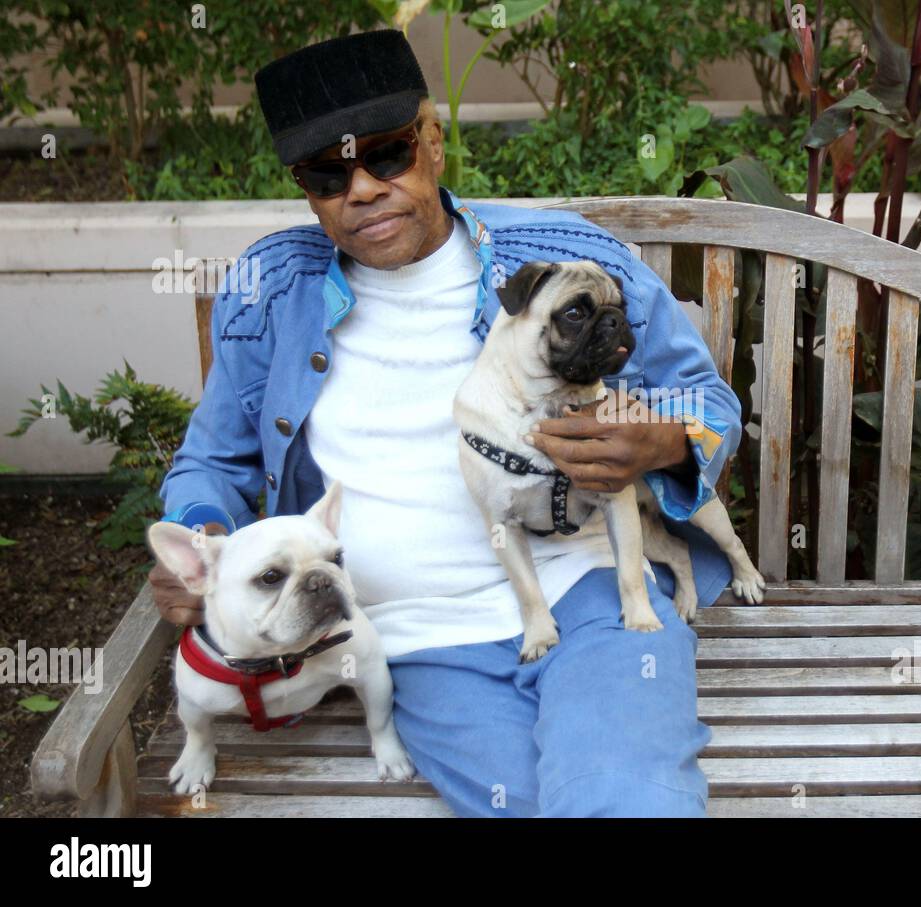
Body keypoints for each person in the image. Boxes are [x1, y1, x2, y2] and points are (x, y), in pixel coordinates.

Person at [149, 29, 744, 817]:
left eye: (386, 155)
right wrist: (198, 544)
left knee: (624, 796)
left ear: (433, 143)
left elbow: (704, 400)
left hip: (592, 590)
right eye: (329, 173)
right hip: (417, 640)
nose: (361, 188)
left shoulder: (564, 258)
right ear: (306, 188)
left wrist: (664, 441)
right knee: (531, 806)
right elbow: (210, 465)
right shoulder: (272, 291)